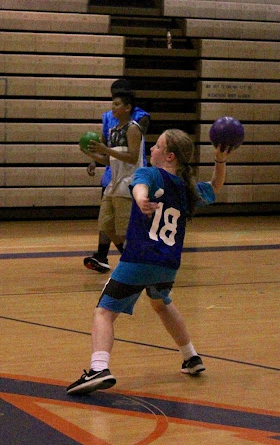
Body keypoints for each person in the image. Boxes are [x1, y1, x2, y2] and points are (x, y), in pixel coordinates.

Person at [67, 129, 233, 395]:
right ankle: (191, 357)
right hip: (168, 265)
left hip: (139, 259)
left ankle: (98, 368)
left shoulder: (150, 173)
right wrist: (220, 160)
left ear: (169, 156)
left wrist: (141, 198)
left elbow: (140, 186)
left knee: (104, 311)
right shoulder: (187, 187)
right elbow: (215, 187)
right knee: (161, 303)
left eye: (157, 146)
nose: (152, 149)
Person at [84, 80, 150, 274]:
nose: (112, 108)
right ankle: (130, 258)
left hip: (128, 183)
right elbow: (109, 160)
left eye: (116, 104)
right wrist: (93, 156)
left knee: (124, 230)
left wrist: (105, 150)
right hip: (114, 182)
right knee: (106, 225)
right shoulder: (113, 131)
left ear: (127, 108)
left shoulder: (133, 128)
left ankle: (135, 262)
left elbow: (132, 157)